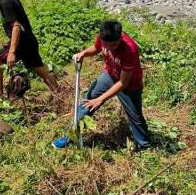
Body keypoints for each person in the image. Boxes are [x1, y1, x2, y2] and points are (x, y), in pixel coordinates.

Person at [52, 20, 152, 150]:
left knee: (136, 117)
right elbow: (95, 48)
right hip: (110, 74)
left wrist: (100, 99)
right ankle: (71, 136)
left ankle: (144, 145)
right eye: (107, 45)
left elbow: (122, 83)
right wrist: (84, 53)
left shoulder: (130, 49)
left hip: (129, 85)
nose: (110, 48)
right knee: (86, 101)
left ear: (120, 37)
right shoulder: (103, 37)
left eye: (114, 46)